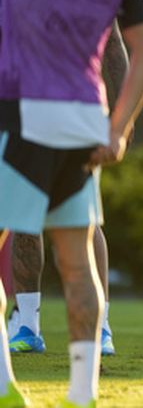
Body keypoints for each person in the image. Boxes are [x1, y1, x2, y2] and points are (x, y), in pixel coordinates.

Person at [0, 0, 143, 405]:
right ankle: (81, 391)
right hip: (83, 122)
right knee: (79, 262)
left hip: (21, 114)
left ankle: (5, 387)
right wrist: (117, 127)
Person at [7, 21, 128, 358]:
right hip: (22, 111)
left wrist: (124, 117)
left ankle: (99, 328)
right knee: (24, 217)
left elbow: (116, 45)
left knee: (82, 222)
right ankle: (29, 325)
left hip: (72, 110)